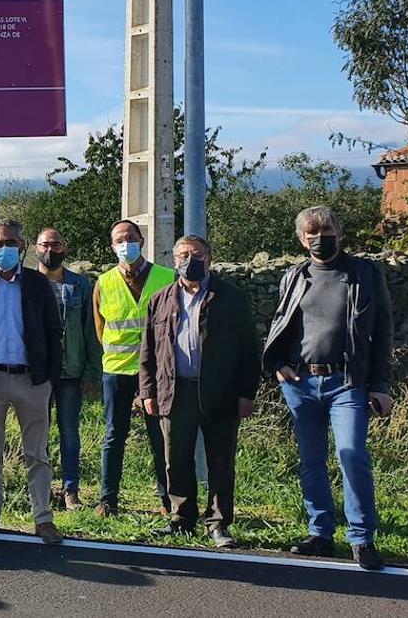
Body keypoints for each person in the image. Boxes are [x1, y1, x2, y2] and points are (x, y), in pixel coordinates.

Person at [264, 206, 394, 570]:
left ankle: (362, 538)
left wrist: (380, 384)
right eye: (312, 233)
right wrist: (278, 366)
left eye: (327, 230)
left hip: (348, 383)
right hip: (301, 383)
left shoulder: (364, 273)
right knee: (311, 461)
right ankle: (321, 533)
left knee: (352, 454)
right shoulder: (295, 276)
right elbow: (281, 325)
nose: (320, 237)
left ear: (339, 232)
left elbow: (383, 331)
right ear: (301, 239)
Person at [139, 235, 259, 549]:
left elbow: (249, 348)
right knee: (175, 459)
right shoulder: (161, 299)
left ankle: (218, 523)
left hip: (220, 393)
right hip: (174, 390)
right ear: (173, 259)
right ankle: (182, 518)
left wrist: (247, 393)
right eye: (182, 255)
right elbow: (148, 351)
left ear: (209, 259)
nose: (188, 260)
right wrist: (147, 391)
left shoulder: (230, 298)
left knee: (220, 460)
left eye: (196, 254)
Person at [0, 220, 63, 544]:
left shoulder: (36, 284)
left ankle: (43, 519)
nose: (3, 249)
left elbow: (52, 331)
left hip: (31, 381)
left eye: (10, 242)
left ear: (22, 246)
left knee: (37, 454)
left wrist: (48, 379)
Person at [92, 219, 173, 517]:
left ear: (141, 239)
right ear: (113, 246)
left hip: (156, 372)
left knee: (160, 436)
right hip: (117, 370)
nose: (126, 243)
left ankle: (168, 501)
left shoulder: (167, 277)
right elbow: (100, 330)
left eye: (131, 237)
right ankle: (107, 500)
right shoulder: (104, 282)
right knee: (114, 434)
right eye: (119, 240)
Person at [35, 227, 101, 510]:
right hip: (37, 372)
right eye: (45, 244)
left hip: (71, 371)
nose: (51, 250)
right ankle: (42, 488)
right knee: (38, 434)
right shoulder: (27, 283)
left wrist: (91, 370)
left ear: (65, 248)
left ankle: (71, 490)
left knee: (70, 433)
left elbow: (92, 329)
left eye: (56, 244)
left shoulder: (80, 285)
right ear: (36, 247)